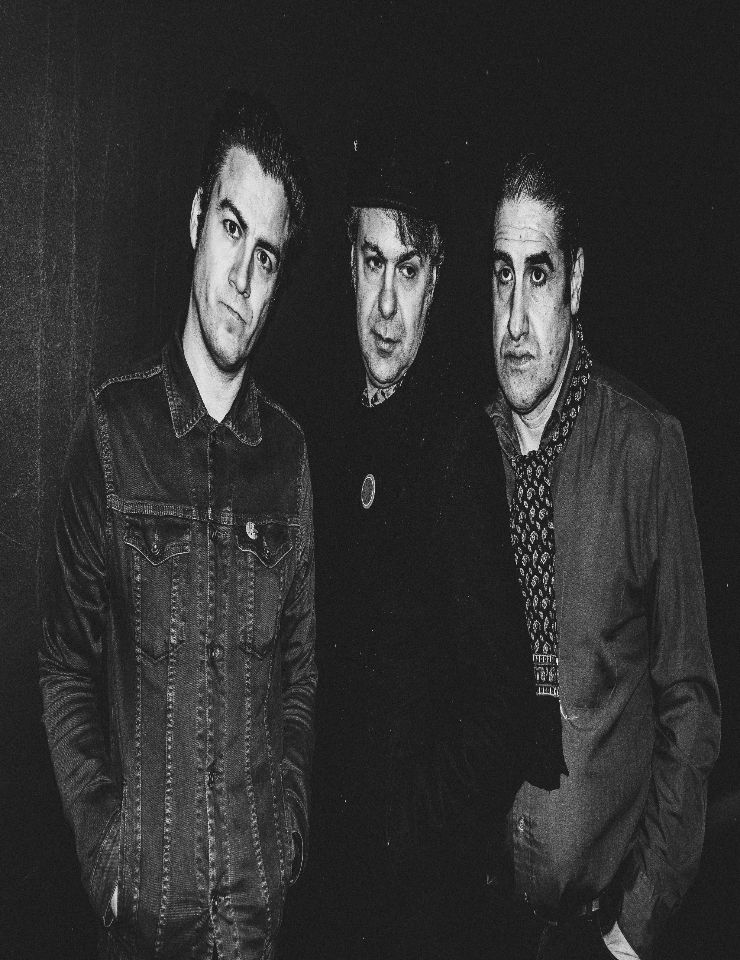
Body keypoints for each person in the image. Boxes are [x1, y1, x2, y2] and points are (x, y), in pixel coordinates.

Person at [39, 91, 316, 960]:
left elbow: (302, 672)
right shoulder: (111, 433)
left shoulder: (289, 459)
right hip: (143, 925)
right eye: (232, 229)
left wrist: (284, 840)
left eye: (267, 256)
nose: (242, 279)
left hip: (255, 927)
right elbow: (63, 663)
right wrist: (107, 856)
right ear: (197, 219)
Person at [281, 140, 549, 960]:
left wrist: (405, 840)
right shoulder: (320, 424)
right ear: (348, 265)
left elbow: (502, 708)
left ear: (435, 282)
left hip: (409, 909)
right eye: (373, 264)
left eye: (409, 270)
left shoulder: (457, 447)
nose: (388, 307)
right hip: (318, 884)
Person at [468, 148, 721, 959]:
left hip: (600, 933)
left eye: (537, 275)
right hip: (483, 925)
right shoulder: (467, 455)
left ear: (574, 282)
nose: (515, 320)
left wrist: (630, 932)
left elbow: (691, 705)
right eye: (501, 276)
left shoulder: (645, 449)